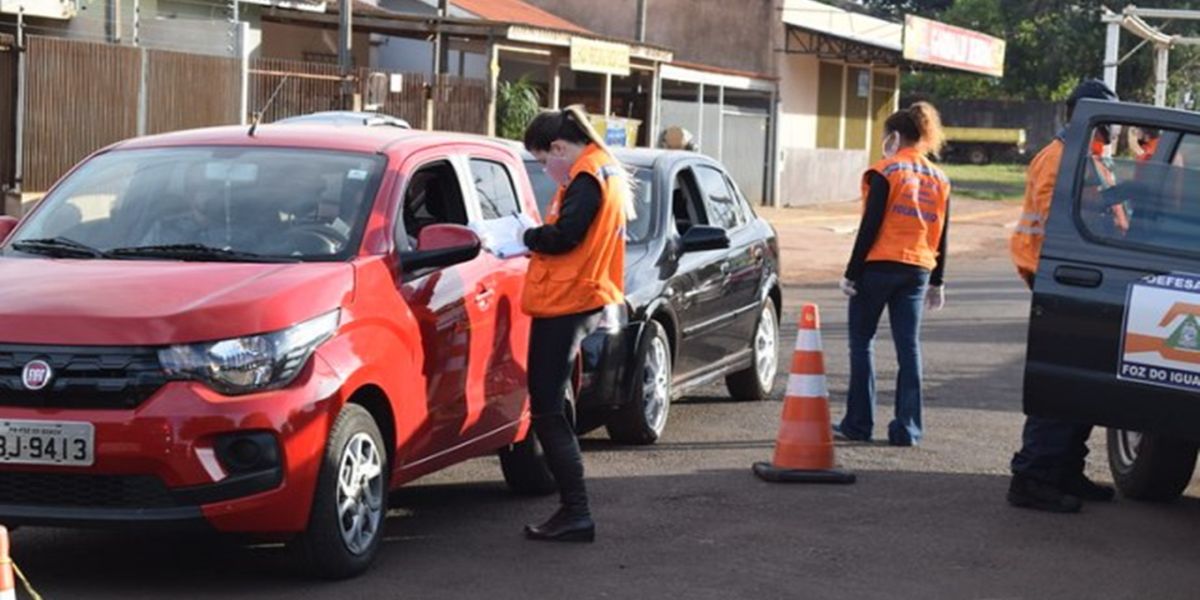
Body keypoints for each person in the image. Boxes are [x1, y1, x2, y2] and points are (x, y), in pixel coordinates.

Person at [1007, 79, 1119, 513]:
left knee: (1081, 385)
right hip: (1062, 279)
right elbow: (1062, 219)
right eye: (1108, 121)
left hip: (1085, 279)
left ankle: (1066, 467)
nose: (1112, 130)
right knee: (1061, 383)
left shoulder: (1087, 156)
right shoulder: (1061, 158)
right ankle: (1033, 476)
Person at [519, 105, 628, 542]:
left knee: (547, 410)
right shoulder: (603, 169)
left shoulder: (586, 177)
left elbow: (565, 235)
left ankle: (576, 511)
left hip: (566, 300)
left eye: (544, 160)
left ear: (559, 147)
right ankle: (573, 510)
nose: (546, 170)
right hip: (581, 297)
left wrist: (525, 236)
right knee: (553, 406)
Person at [834, 102, 951, 447]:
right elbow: (943, 231)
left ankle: (859, 424)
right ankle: (908, 429)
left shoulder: (886, 171)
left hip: (878, 267)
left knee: (862, 342)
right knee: (908, 348)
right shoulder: (940, 178)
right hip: (918, 269)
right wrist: (938, 280)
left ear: (895, 136)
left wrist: (851, 272)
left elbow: (870, 226)